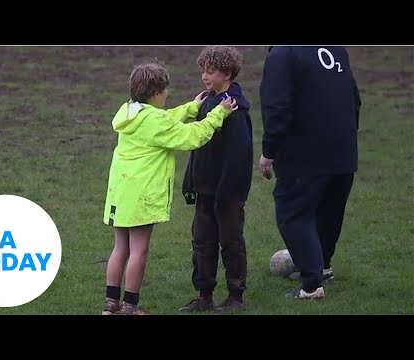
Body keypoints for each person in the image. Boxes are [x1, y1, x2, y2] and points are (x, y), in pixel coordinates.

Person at [102, 63, 238, 315]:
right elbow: (192, 136)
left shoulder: (130, 111)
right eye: (165, 90)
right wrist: (217, 113)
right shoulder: (155, 121)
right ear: (156, 93)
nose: (167, 94)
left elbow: (163, 120)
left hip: (119, 192)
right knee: (139, 251)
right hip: (140, 195)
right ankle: (130, 307)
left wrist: (191, 107)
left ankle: (111, 305)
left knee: (120, 248)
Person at [259, 46, 361, 299]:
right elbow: (354, 98)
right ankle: (322, 267)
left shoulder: (283, 55)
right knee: (329, 211)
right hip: (343, 150)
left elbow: (277, 107)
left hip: (304, 154)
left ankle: (312, 286)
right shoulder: (336, 50)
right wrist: (346, 136)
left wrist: (269, 151)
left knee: (293, 212)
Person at [179, 46, 253, 312]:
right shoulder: (209, 101)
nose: (204, 76)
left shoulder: (235, 108)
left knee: (231, 243)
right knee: (202, 242)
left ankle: (236, 297)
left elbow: (239, 156)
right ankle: (204, 296)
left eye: (210, 71)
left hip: (227, 194)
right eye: (202, 70)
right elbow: (198, 146)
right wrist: (191, 181)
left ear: (228, 73)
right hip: (204, 190)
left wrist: (228, 192)